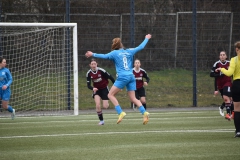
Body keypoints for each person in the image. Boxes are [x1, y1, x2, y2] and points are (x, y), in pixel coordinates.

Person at [85, 34, 152, 125]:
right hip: (131, 77)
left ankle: (120, 112)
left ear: (114, 45)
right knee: (133, 98)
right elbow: (141, 47)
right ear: (121, 44)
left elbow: (104, 56)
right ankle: (144, 112)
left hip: (123, 77)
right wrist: (146, 39)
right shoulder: (129, 51)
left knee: (110, 95)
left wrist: (92, 54)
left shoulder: (114, 53)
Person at [216, 42, 240, 138]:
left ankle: (238, 131)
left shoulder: (234, 60)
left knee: (237, 109)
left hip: (237, 85)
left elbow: (229, 73)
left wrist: (221, 69)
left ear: (237, 49)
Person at [86, 59, 115, 125]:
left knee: (105, 106)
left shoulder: (101, 71)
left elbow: (110, 77)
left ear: (97, 64)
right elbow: (88, 85)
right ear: (90, 65)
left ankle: (108, 99)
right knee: (98, 105)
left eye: (95, 64)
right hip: (97, 90)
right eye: (92, 64)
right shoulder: (88, 73)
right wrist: (93, 88)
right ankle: (101, 121)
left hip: (104, 89)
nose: (93, 65)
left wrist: (116, 85)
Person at [210, 51, 234, 120]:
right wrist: (215, 89)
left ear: (226, 56)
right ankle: (223, 108)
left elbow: (232, 73)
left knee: (228, 98)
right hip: (220, 85)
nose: (222, 56)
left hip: (228, 83)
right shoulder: (217, 64)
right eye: (221, 55)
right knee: (228, 99)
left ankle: (229, 114)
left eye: (224, 55)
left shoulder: (229, 63)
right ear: (219, 56)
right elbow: (211, 74)